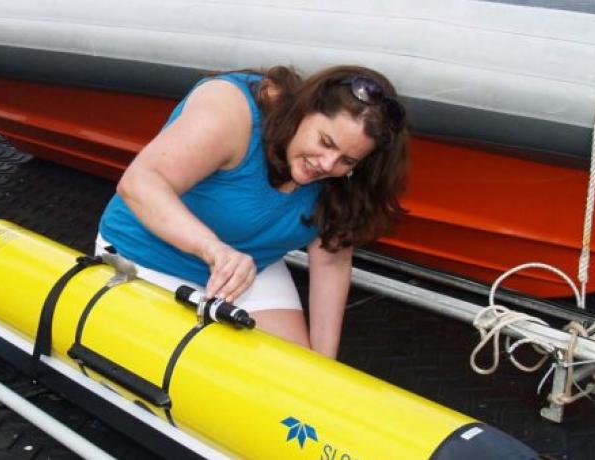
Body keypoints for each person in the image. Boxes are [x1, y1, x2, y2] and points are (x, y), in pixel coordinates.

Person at [97, 66, 409, 358]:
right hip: (148, 257)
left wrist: (323, 367)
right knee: (202, 378)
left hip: (250, 265)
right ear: (303, 110)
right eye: (325, 142)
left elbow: (331, 258)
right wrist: (213, 249)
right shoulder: (232, 110)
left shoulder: (345, 179)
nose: (327, 164)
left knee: (294, 380)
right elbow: (140, 182)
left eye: (347, 161)